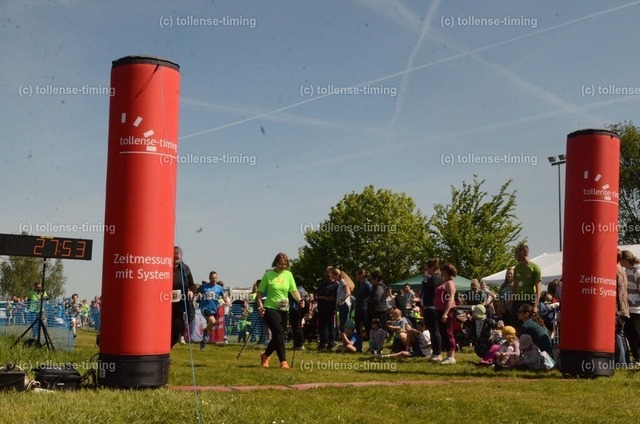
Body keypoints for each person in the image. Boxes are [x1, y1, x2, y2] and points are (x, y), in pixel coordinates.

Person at [256, 252, 304, 369]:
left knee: (279, 335)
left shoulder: (288, 275)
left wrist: (299, 300)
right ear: (275, 263)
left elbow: (293, 290)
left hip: (284, 308)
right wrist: (260, 306)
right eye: (280, 264)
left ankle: (265, 355)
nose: (283, 266)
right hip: (270, 308)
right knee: (279, 332)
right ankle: (283, 361)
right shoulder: (268, 275)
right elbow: (259, 293)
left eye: (285, 264)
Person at [171, 246, 196, 348]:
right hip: (164, 304)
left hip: (179, 306)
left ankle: (167, 349)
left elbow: (192, 285)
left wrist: (191, 292)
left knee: (177, 329)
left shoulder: (185, 269)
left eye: (178, 259)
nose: (176, 261)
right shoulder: (164, 267)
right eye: (174, 259)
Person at [421, 258, 444, 362]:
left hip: (432, 307)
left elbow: (428, 290)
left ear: (432, 268)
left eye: (427, 269)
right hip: (429, 307)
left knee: (435, 331)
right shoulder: (434, 278)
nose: (425, 271)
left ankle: (437, 353)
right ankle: (435, 352)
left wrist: (425, 281)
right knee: (432, 331)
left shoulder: (435, 278)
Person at [512, 244, 542, 326]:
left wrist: (535, 305)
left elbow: (538, 288)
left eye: (516, 252)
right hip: (518, 300)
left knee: (530, 324)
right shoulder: (517, 268)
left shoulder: (535, 268)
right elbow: (514, 286)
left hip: (529, 300)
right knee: (516, 324)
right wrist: (513, 301)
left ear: (522, 252)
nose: (515, 255)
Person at [435, 262, 458, 364]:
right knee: (444, 333)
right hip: (440, 310)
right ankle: (448, 355)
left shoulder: (450, 283)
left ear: (446, 272)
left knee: (448, 333)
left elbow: (451, 298)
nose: (440, 272)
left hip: (447, 311)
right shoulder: (444, 282)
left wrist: (445, 313)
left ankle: (451, 357)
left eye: (442, 270)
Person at [197, 271, 225, 349]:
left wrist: (224, 300)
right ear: (209, 278)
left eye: (215, 278)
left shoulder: (219, 288)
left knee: (211, 324)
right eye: (212, 278)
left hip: (214, 309)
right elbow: (196, 291)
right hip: (205, 307)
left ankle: (203, 341)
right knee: (212, 321)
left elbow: (223, 296)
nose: (214, 280)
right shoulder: (203, 287)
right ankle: (205, 332)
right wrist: (198, 294)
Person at [621, 250, 640, 366]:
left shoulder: (637, 271)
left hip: (637, 309)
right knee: (629, 334)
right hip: (628, 308)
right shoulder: (625, 271)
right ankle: (637, 358)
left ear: (626, 260)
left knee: (637, 333)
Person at [315, 266, 338, 350]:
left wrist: (323, 298)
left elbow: (333, 298)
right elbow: (317, 294)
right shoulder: (322, 284)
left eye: (329, 275)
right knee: (322, 326)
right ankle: (323, 342)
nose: (328, 277)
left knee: (330, 326)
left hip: (330, 308)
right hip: (321, 308)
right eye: (326, 275)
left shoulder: (336, 285)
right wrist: (317, 297)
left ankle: (331, 343)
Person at [367, 271, 389, 336]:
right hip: (376, 311)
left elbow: (377, 299)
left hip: (379, 312)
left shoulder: (379, 287)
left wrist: (368, 301)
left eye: (372, 279)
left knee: (380, 329)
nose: (371, 280)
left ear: (376, 279)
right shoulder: (375, 287)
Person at [332, 268, 353, 333]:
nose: (332, 277)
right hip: (342, 305)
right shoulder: (340, 282)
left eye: (333, 275)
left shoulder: (342, 281)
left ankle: (345, 336)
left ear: (337, 275)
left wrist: (341, 300)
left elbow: (348, 292)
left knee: (344, 324)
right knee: (342, 323)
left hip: (344, 304)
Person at [353, 268, 372, 338]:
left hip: (364, 308)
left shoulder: (367, 284)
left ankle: (369, 338)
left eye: (357, 275)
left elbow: (371, 294)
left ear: (361, 275)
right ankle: (358, 338)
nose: (356, 277)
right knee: (357, 324)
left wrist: (367, 301)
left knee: (366, 324)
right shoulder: (359, 284)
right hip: (358, 307)